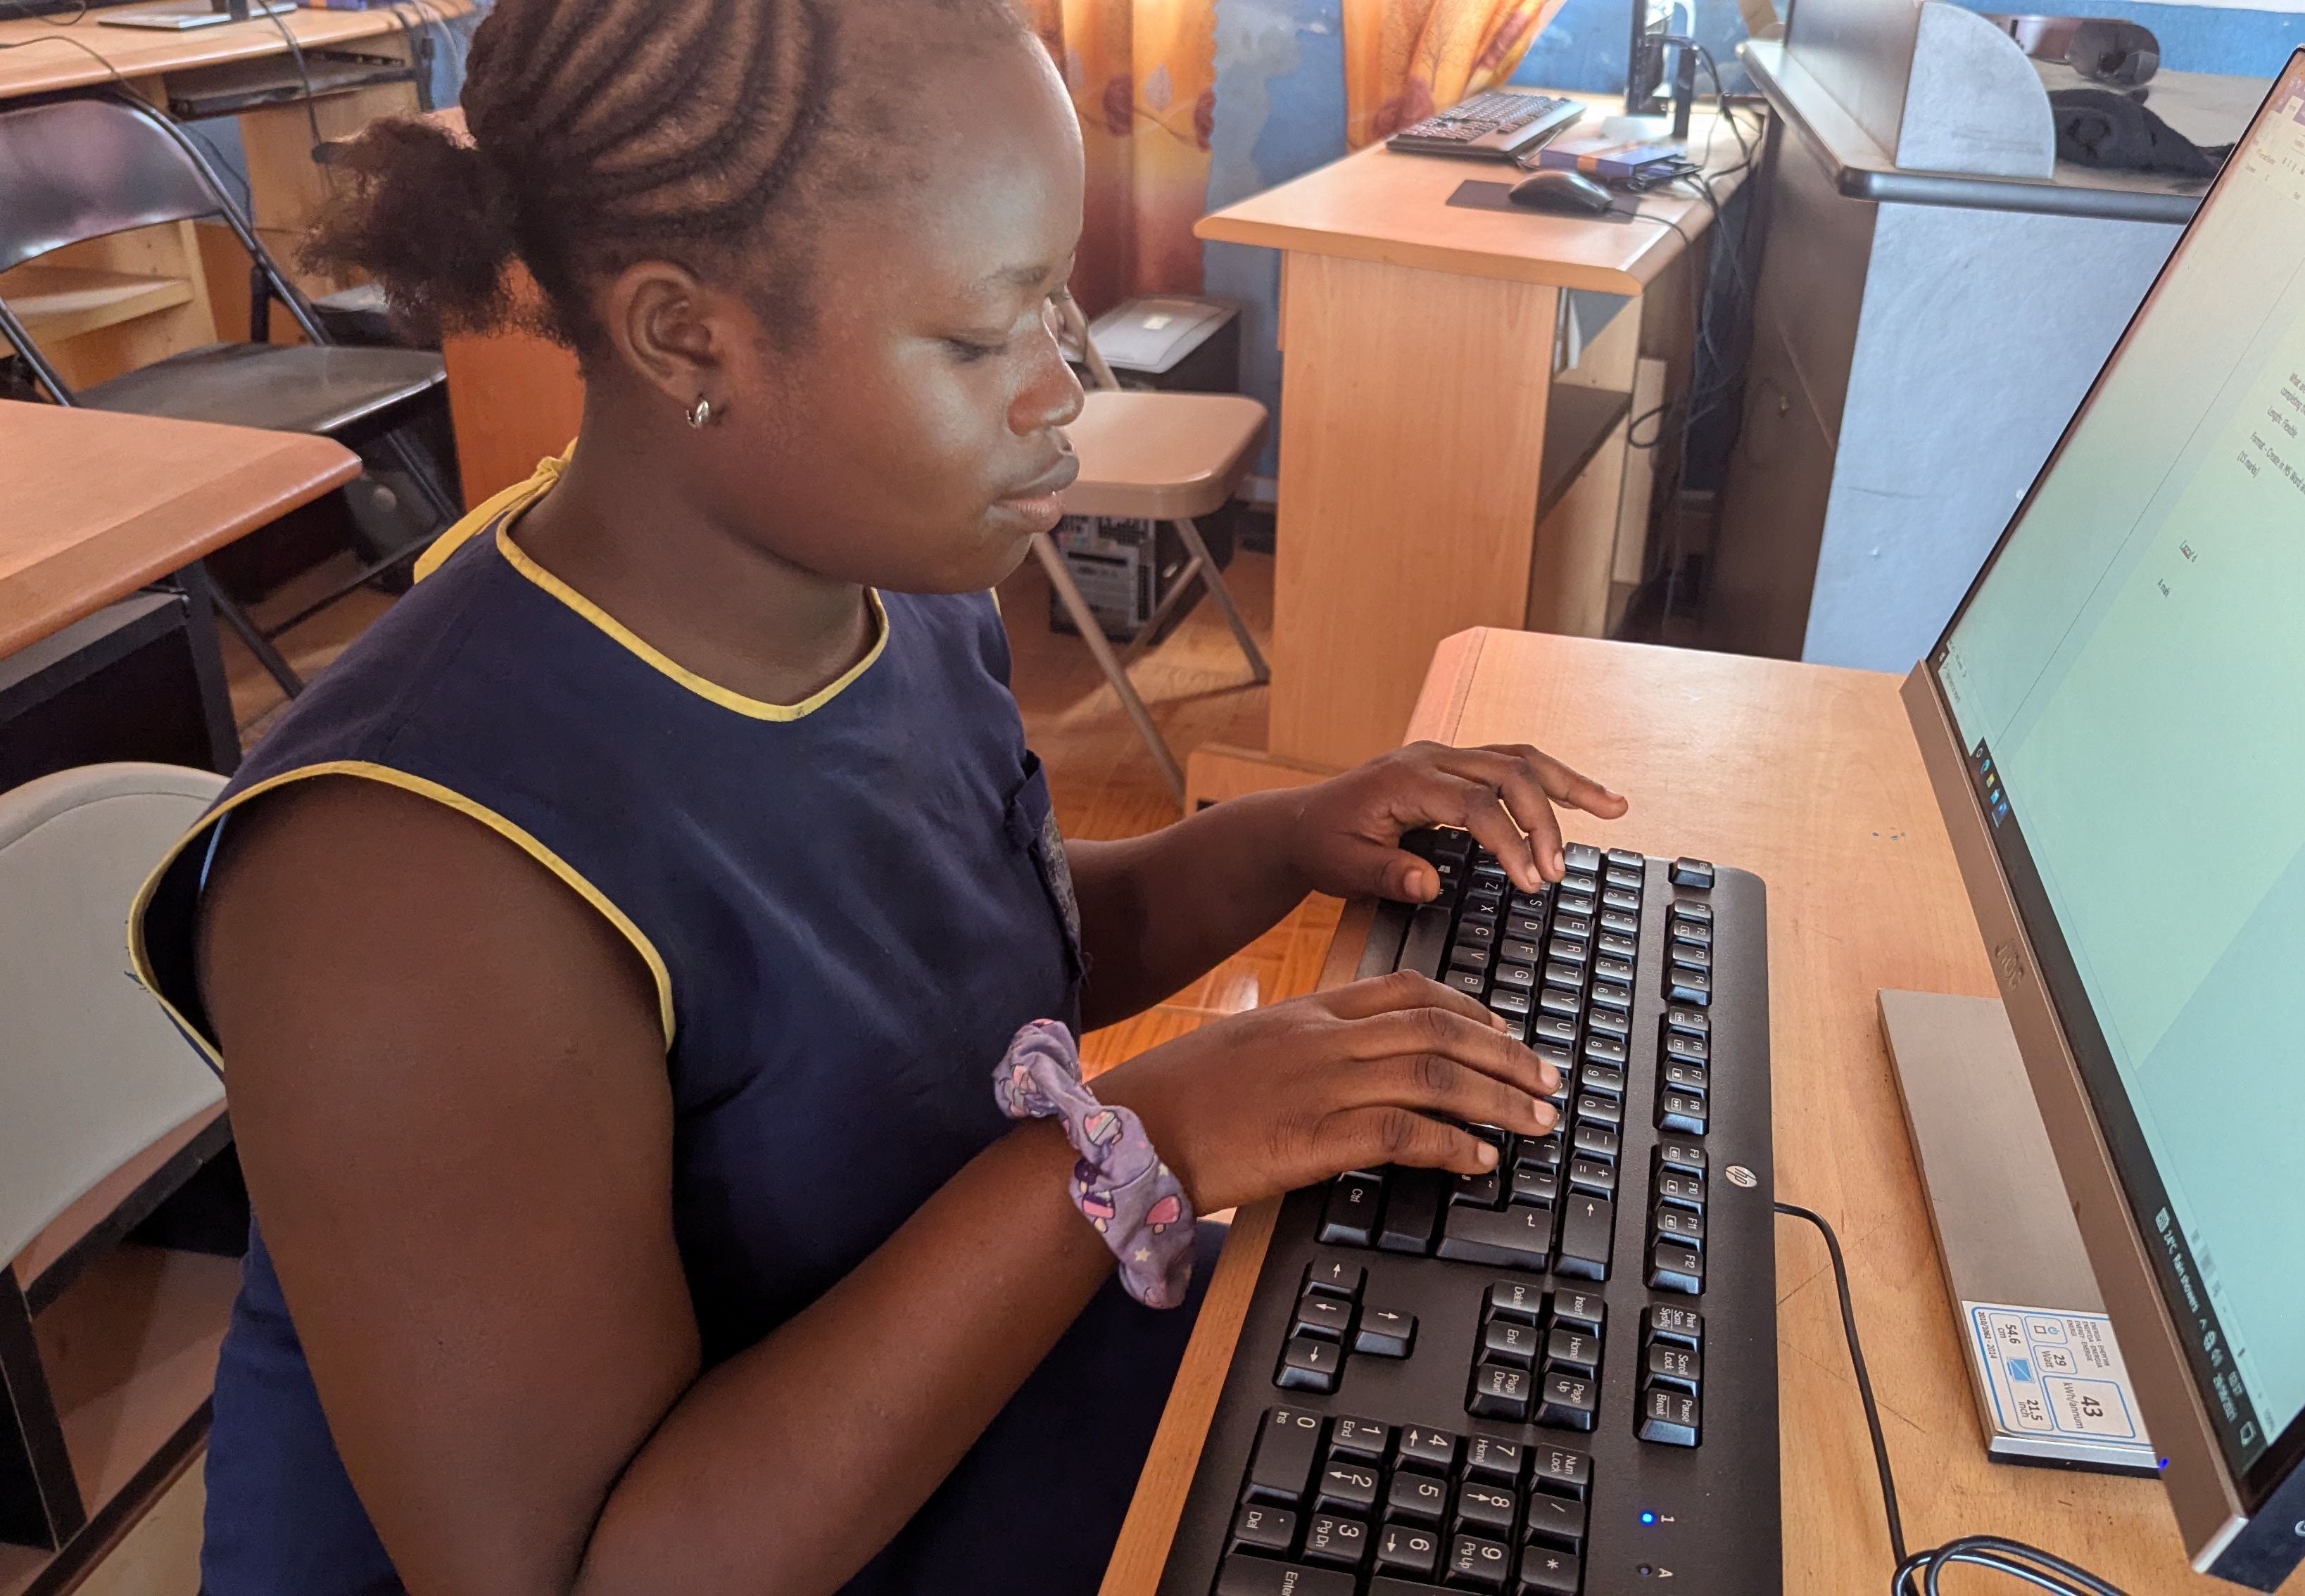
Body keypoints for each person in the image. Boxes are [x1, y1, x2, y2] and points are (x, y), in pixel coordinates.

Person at [124, 1, 1625, 1590]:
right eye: (985, 335)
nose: (1069, 382)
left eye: (1061, 300)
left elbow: (966, 961)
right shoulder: (402, 879)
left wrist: (1281, 841)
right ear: (682, 336)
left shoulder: (884, 584)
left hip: (930, 1420)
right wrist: (1142, 1140)